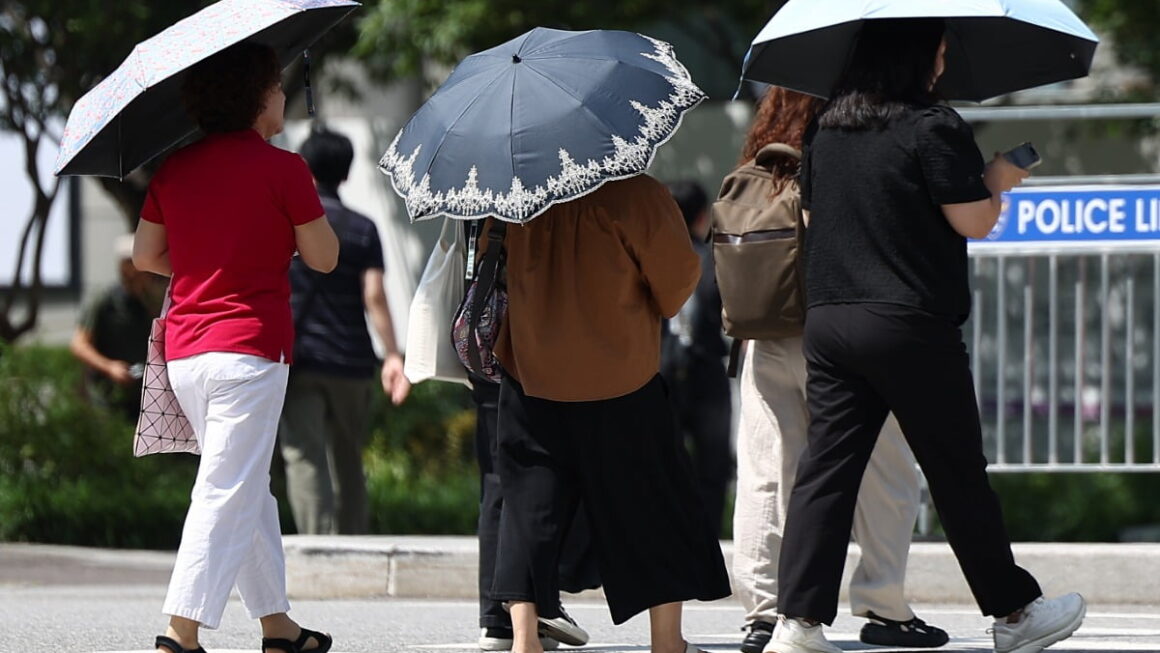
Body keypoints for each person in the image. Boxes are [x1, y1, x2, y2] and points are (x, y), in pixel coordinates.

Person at [767, 19, 1085, 653]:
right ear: (913, 58)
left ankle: (797, 623)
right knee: (957, 470)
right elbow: (971, 223)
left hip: (830, 319)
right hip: (908, 321)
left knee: (826, 473)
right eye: (938, 53)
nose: (941, 65)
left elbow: (810, 214)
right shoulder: (932, 125)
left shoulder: (826, 127)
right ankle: (1015, 613)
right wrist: (996, 182)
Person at [132, 42, 339, 653]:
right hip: (250, 350)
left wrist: (205, 264)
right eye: (274, 86)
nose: (281, 95)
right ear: (256, 98)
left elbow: (146, 256)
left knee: (244, 483)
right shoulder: (285, 168)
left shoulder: (174, 168)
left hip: (187, 353)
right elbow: (324, 258)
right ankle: (181, 632)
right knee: (227, 485)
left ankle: (279, 628)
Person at [728, 87, 948, 652]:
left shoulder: (763, 159)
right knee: (885, 467)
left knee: (768, 471)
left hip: (767, 333)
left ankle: (763, 612)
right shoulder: (856, 138)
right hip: (845, 327)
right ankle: (883, 602)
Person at [488, 174, 732, 653]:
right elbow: (676, 285)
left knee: (527, 506)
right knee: (657, 502)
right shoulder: (635, 192)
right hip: (620, 374)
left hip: (532, 371)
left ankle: (523, 641)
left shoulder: (515, 190)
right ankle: (667, 642)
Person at [277, 126, 410, 536]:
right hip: (352, 360)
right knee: (348, 455)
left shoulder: (288, 222)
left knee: (305, 455)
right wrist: (392, 354)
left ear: (304, 170)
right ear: (347, 174)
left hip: (302, 357)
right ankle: (354, 542)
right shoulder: (363, 227)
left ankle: (318, 546)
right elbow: (374, 295)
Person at [470, 373, 597, 651]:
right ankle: (537, 606)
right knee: (536, 473)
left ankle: (499, 620)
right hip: (527, 354)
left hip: (483, 346)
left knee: (498, 475)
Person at [660, 180, 733, 537]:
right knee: (712, 465)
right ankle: (705, 538)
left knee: (660, 463)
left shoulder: (649, 258)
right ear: (703, 217)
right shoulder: (714, 259)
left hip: (657, 373)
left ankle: (663, 533)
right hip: (706, 370)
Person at [70, 234, 163, 421]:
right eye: (129, 264)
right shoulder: (105, 301)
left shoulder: (153, 302)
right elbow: (79, 345)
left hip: (145, 401)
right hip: (108, 399)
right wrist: (109, 367)